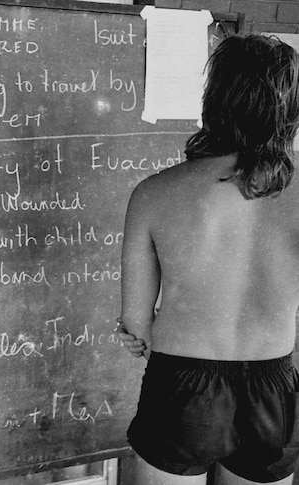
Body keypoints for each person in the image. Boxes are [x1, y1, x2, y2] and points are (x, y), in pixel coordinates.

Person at [118, 34, 299, 485]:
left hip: (182, 383)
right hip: (273, 386)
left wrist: (142, 335)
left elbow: (136, 323)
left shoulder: (154, 193)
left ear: (214, 99)